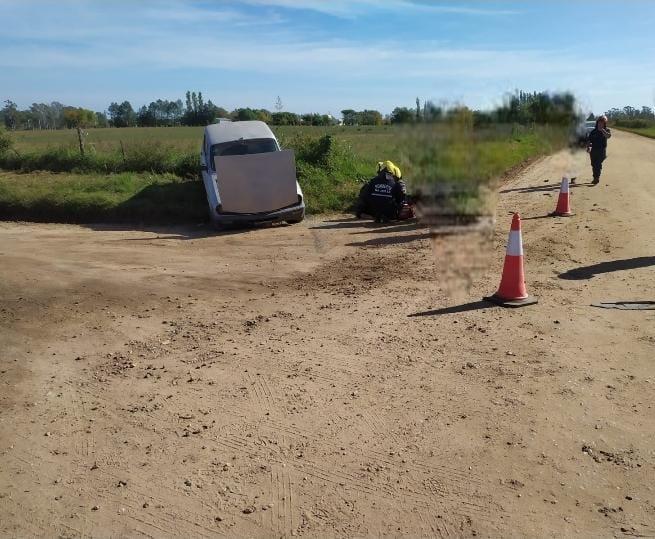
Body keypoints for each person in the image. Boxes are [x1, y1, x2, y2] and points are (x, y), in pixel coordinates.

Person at [587, 115, 611, 185]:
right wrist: (588, 147)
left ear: (604, 124)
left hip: (602, 150)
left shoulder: (606, 130)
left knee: (598, 164)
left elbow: (608, 136)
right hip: (594, 150)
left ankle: (596, 178)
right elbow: (589, 140)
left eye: (602, 123)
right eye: (599, 123)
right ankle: (595, 177)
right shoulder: (593, 131)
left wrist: (602, 130)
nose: (600, 124)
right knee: (593, 164)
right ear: (597, 123)